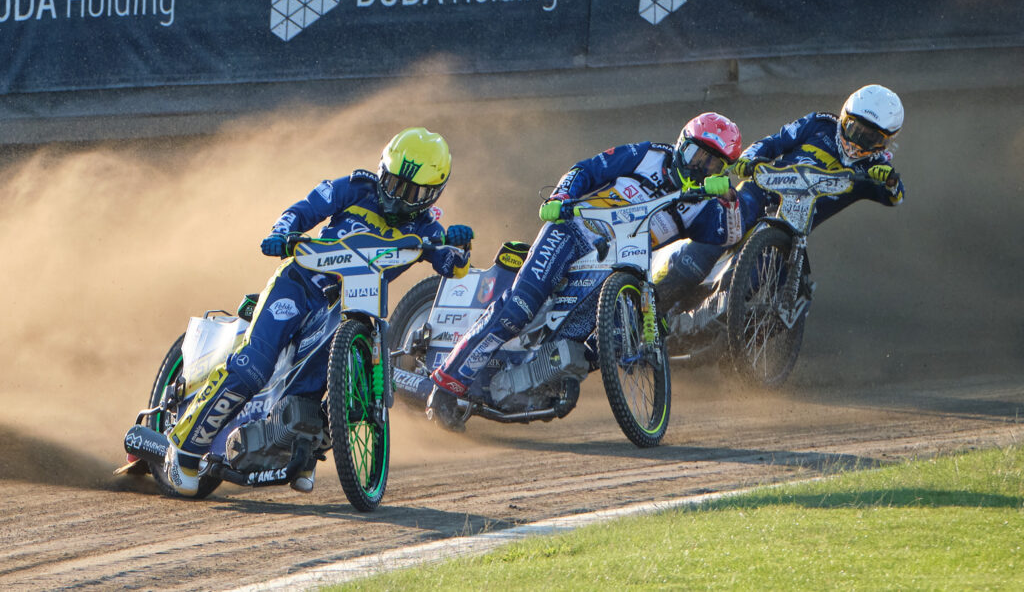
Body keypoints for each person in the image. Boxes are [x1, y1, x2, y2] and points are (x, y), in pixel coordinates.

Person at [163, 127, 474, 496]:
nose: (396, 196)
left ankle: (302, 444)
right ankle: (183, 449)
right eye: (392, 182)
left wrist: (460, 245)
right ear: (382, 170)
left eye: (411, 192)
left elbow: (453, 266)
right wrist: (281, 233)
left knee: (320, 378)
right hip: (298, 284)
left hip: (347, 307)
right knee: (253, 366)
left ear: (432, 194)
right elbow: (303, 210)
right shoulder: (355, 188)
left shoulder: (428, 231)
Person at [426, 112, 759, 431]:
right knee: (520, 307)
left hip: (618, 265)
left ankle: (534, 381)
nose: (699, 167)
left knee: (605, 340)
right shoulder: (647, 155)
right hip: (573, 231)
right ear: (681, 144)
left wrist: (730, 200)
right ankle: (446, 386)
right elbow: (586, 169)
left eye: (712, 163)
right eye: (696, 155)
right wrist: (561, 196)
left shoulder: (702, 205)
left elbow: (729, 234)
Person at [657, 84, 907, 319]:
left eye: (871, 138)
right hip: (758, 193)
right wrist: (748, 160)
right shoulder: (819, 125)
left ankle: (713, 324)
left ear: (886, 141)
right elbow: (773, 142)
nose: (858, 141)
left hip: (791, 228)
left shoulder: (876, 168)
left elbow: (895, 197)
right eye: (854, 129)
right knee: (721, 231)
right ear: (844, 118)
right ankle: (656, 298)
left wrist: (889, 181)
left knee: (754, 278)